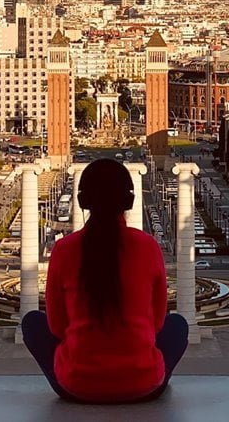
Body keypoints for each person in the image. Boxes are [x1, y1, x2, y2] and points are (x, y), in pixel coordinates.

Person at [21, 158, 188, 404]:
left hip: (76, 386)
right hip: (143, 386)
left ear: (82, 201)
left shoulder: (64, 249)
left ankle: (79, 370)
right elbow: (158, 323)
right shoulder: (148, 246)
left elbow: (56, 327)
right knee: (178, 325)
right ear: (129, 201)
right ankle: (147, 373)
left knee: (32, 322)